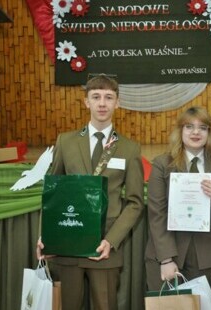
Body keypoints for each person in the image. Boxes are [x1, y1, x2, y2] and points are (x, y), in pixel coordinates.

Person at [36, 75, 145, 310]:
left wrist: (111, 240)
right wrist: (47, 235)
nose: (102, 103)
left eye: (108, 97)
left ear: (118, 103)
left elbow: (135, 202)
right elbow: (53, 193)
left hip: (104, 246)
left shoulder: (129, 148)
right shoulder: (66, 142)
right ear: (86, 102)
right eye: (96, 97)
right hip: (68, 243)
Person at [144, 106, 211, 293]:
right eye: (189, 127)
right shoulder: (162, 164)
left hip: (208, 256)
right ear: (180, 131)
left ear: (209, 133)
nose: (195, 132)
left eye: (202, 127)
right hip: (167, 254)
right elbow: (156, 214)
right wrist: (166, 259)